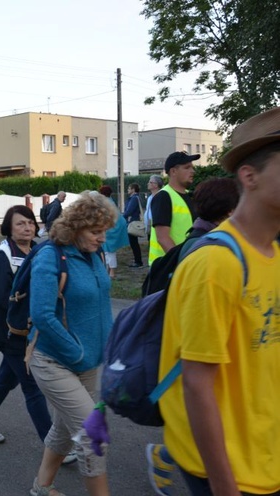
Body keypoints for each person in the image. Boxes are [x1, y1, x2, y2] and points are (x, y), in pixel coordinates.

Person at [157, 107, 280, 496]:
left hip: (265, 452)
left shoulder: (273, 255)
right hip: (228, 468)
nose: (190, 172)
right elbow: (197, 385)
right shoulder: (216, 265)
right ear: (250, 176)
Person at [145, 177, 240, 496]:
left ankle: (171, 452)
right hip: (196, 359)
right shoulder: (207, 253)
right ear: (229, 212)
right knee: (207, 429)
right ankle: (167, 453)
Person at [28, 191, 116, 496]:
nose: (102, 239)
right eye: (95, 232)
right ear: (75, 228)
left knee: (65, 429)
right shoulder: (50, 256)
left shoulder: (94, 255)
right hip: (53, 361)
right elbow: (41, 314)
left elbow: (102, 306)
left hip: (89, 363)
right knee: (93, 436)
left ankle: (41, 487)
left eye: (104, 231)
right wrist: (76, 351)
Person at [0, 205, 54, 446]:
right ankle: (52, 444)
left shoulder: (37, 251)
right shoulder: (2, 257)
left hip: (31, 331)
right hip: (12, 332)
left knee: (7, 378)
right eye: (20, 223)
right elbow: (0, 298)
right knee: (32, 386)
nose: (27, 227)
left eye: (30, 223)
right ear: (9, 228)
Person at [148, 152, 196, 265]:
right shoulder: (163, 197)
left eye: (192, 167)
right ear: (173, 171)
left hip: (187, 264)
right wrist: (181, 263)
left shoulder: (191, 196)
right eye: (187, 167)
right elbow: (163, 238)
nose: (192, 171)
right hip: (167, 267)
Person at [99, 186, 128, 279]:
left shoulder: (106, 203)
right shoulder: (110, 201)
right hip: (113, 228)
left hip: (110, 229)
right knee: (108, 251)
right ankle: (109, 270)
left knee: (109, 251)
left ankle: (111, 271)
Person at [123, 183, 144, 268]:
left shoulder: (134, 198)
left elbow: (129, 211)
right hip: (133, 221)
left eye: (129, 188)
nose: (128, 190)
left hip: (133, 223)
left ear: (133, 189)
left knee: (134, 243)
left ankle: (138, 261)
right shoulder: (136, 198)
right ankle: (137, 260)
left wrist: (122, 216)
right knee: (134, 243)